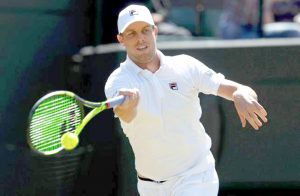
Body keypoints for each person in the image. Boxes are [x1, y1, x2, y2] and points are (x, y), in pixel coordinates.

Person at [105, 4, 268, 196]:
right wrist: (128, 107)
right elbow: (125, 114)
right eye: (131, 33)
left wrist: (240, 93)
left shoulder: (185, 66)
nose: (140, 38)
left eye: (145, 30)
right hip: (149, 186)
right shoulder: (118, 81)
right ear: (121, 40)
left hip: (196, 176)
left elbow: (235, 89)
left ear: (155, 31)